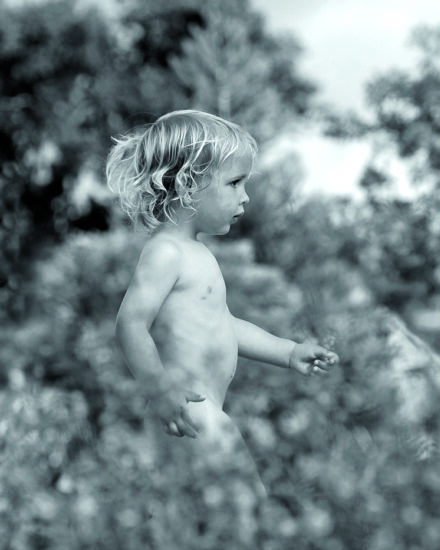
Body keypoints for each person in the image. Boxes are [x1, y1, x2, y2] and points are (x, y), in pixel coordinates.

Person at [106, 110, 338, 536]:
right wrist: (159, 388)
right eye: (234, 183)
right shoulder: (167, 253)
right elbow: (130, 324)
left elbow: (225, 324)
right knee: (247, 511)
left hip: (198, 411)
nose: (245, 197)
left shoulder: (198, 254)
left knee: (186, 524)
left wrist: (288, 351)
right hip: (188, 408)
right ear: (187, 184)